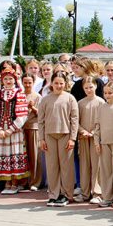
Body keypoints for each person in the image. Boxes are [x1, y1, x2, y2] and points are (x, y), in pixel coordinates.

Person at [38, 71, 79, 207]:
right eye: (56, 83)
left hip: (65, 135)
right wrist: (41, 138)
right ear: (52, 83)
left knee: (66, 166)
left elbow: (74, 119)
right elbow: (41, 121)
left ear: (65, 84)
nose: (59, 86)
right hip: (49, 135)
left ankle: (66, 194)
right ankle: (53, 194)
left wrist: (72, 138)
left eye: (61, 83)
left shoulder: (70, 98)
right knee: (52, 166)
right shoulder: (45, 99)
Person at [0, 67, 30, 195]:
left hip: (14, 130)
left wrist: (11, 129)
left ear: (15, 80)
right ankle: (7, 182)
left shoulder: (19, 94)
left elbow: (22, 115)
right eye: (5, 79)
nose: (8, 81)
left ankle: (15, 182)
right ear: (2, 80)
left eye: (10, 79)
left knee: (14, 152)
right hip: (1, 128)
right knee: (3, 154)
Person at [77, 75, 106, 204]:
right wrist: (82, 130)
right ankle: (85, 192)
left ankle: (97, 192)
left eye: (91, 87)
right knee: (84, 165)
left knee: (96, 165)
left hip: (96, 139)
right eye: (86, 87)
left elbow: (103, 120)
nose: (89, 89)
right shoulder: (80, 103)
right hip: (83, 138)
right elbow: (74, 121)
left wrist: (94, 132)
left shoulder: (101, 102)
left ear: (96, 86)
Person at [21, 74, 44, 191]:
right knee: (23, 156)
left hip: (34, 127)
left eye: (29, 82)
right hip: (21, 128)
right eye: (25, 82)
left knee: (35, 156)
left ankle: (35, 182)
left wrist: (33, 107)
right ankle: (24, 180)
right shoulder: (19, 95)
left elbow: (41, 114)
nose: (27, 85)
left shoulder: (37, 96)